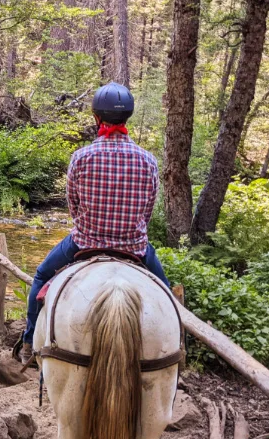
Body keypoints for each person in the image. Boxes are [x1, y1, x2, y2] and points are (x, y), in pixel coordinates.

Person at [18, 81, 171, 365]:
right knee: (168, 296)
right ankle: (177, 351)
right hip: (134, 247)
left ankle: (28, 342)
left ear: (96, 117)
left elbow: (73, 207)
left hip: (85, 242)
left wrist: (92, 227)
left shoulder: (81, 157)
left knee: (40, 276)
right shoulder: (148, 160)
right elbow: (147, 211)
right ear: (128, 117)